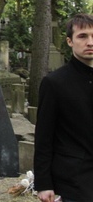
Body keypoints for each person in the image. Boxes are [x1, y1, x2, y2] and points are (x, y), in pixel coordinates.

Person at [34, 13, 93, 202]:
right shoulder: (55, 83)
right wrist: (43, 184)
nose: (90, 42)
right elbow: (44, 136)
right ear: (70, 41)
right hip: (74, 181)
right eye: (82, 36)